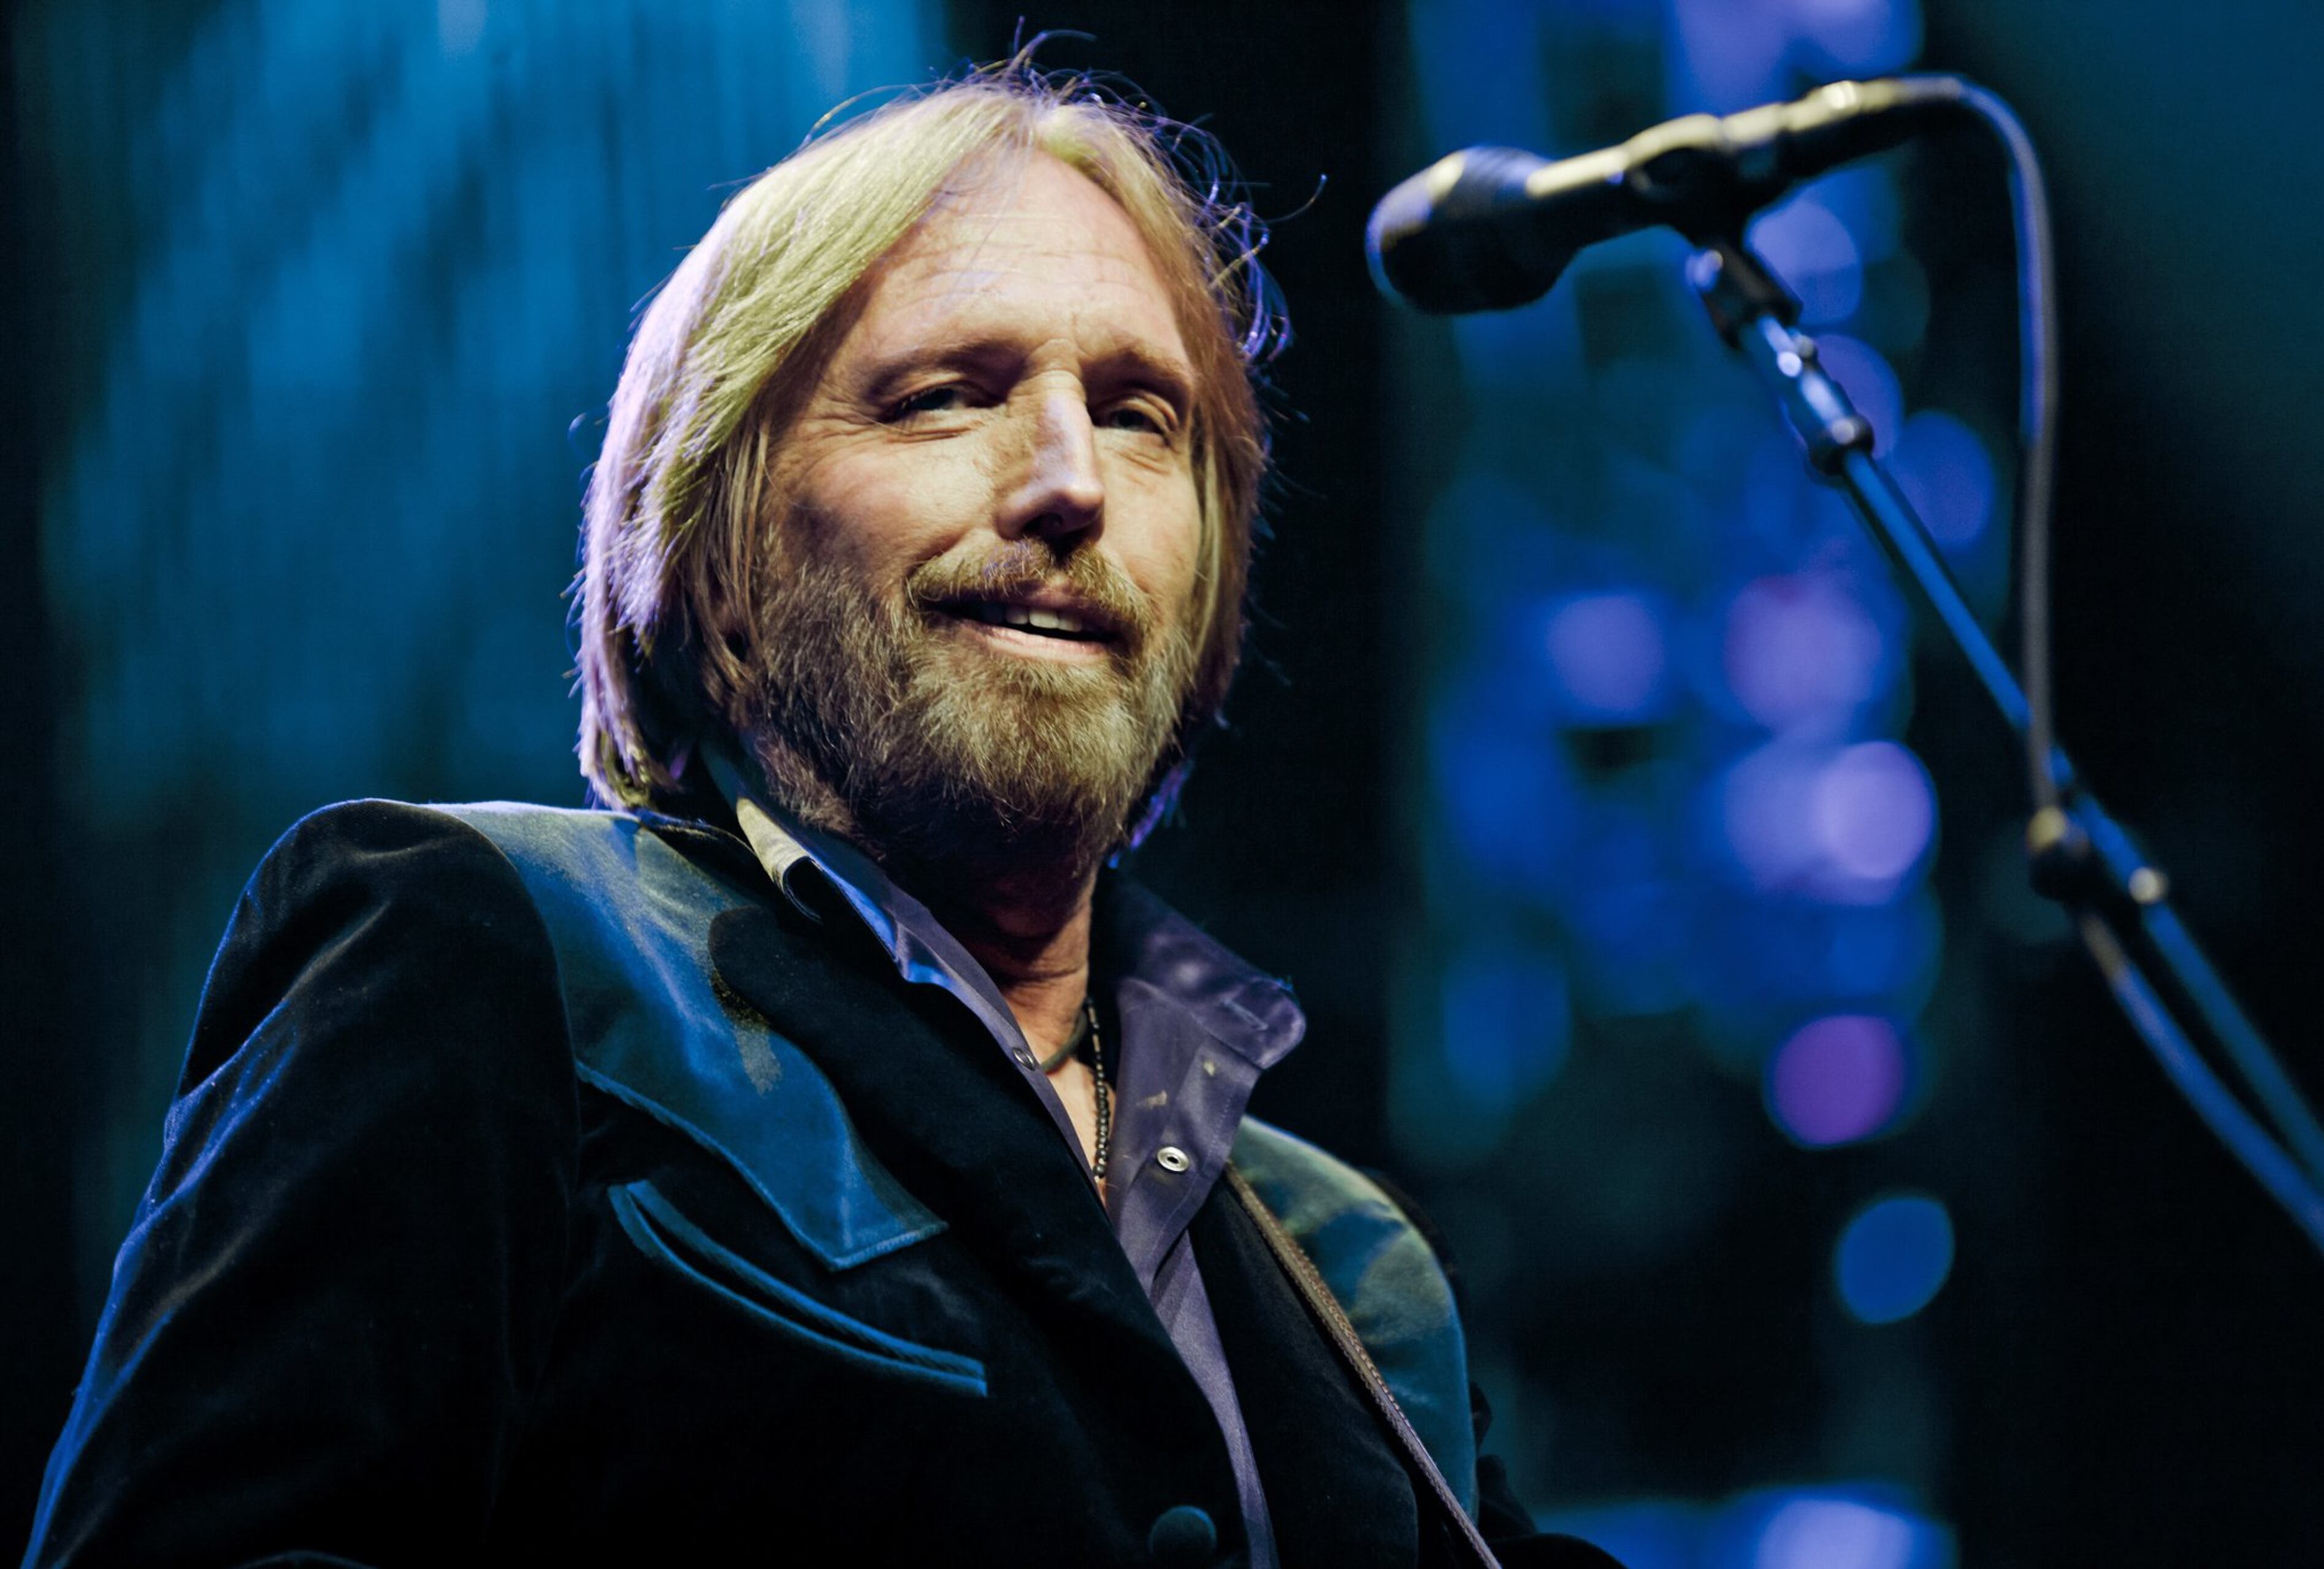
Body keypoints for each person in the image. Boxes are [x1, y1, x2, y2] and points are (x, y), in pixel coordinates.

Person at [25, 61, 1622, 1569]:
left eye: (1143, 415)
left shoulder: (1349, 1261)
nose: (1071, 479)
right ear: (708, 557)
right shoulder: (483, 946)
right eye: (948, 394)